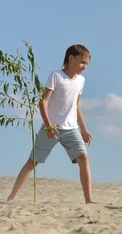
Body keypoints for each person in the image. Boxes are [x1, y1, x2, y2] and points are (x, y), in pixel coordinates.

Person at [7, 44, 95, 203]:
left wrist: (84, 129)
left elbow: (76, 105)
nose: (85, 67)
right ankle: (12, 197)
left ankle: (89, 200)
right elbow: (43, 102)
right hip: (52, 128)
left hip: (71, 128)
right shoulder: (56, 76)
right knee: (33, 162)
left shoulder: (81, 80)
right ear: (71, 58)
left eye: (87, 64)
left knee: (84, 158)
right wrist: (48, 126)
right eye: (82, 62)